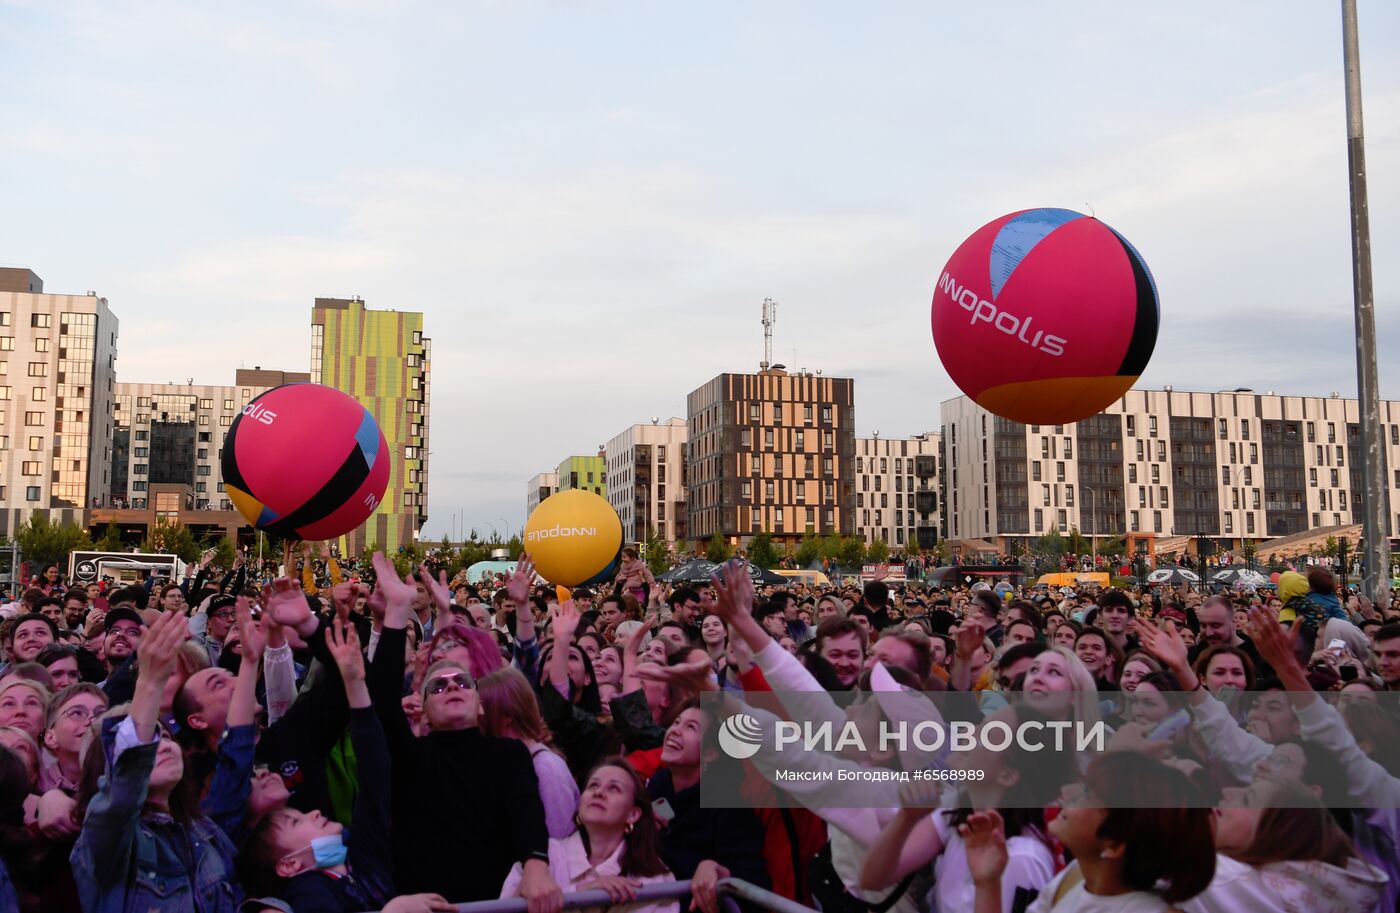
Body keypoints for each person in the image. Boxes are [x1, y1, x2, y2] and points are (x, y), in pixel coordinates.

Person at [368, 553, 563, 912]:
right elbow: (380, 702)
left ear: (481, 702)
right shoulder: (410, 756)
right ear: (424, 708)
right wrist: (395, 613)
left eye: (462, 682)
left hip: (496, 904)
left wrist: (536, 863)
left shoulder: (509, 754)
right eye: (438, 686)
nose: (452, 686)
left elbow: (526, 812)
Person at [70, 608, 242, 913]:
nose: (159, 745)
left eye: (163, 736)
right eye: (148, 740)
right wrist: (150, 681)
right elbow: (123, 789)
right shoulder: (105, 842)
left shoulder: (204, 829)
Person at [243, 618, 396, 913]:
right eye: (293, 821)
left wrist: (309, 624)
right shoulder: (307, 891)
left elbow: (375, 775)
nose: (311, 813)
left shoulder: (355, 853)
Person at [962, 753, 1216, 913]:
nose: (1068, 792)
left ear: (1114, 844)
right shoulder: (1075, 878)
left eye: (1087, 794)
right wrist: (988, 884)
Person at [501, 758, 678, 913]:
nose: (598, 793)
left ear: (633, 814)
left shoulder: (655, 877)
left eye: (614, 788)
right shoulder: (541, 857)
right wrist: (580, 892)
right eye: (593, 785)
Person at [479, 667, 581, 839]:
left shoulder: (546, 768)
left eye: (482, 708)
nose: (476, 715)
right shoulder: (503, 761)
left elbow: (558, 840)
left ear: (508, 713)